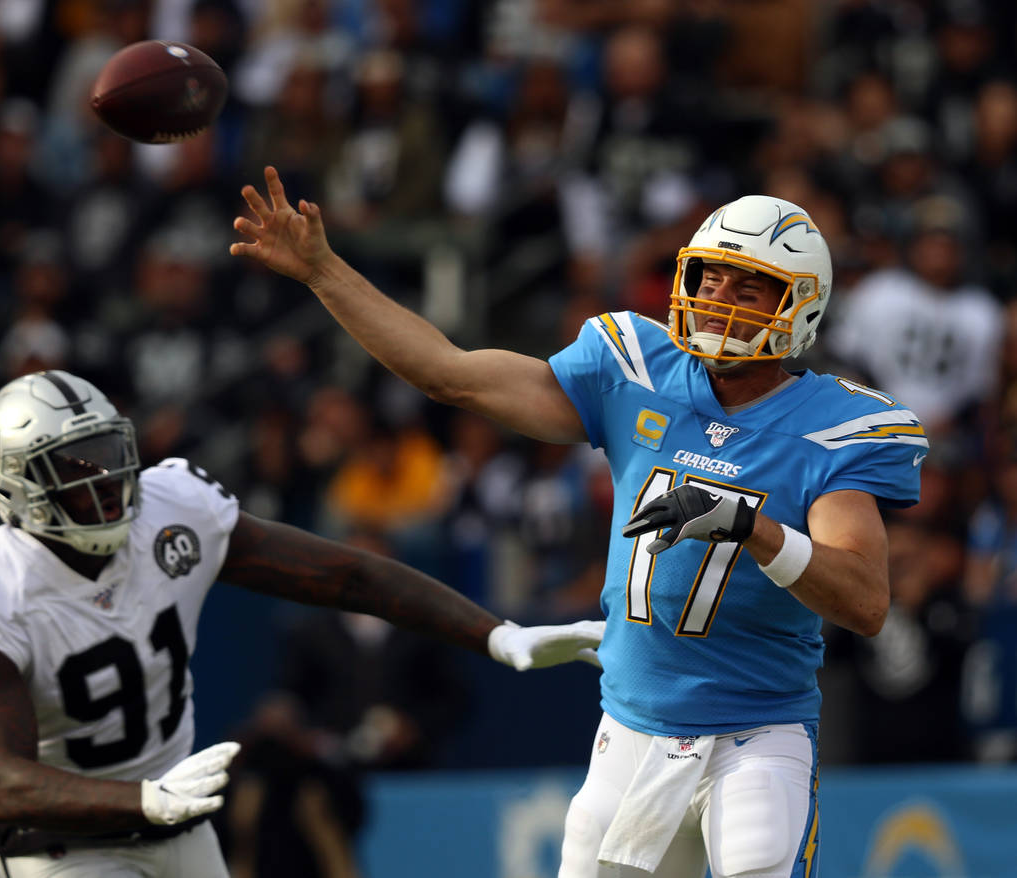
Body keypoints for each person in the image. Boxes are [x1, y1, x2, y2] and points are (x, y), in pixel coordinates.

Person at [230, 167, 928, 878]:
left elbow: (865, 602)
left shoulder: (833, 427)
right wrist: (323, 271)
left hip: (758, 735)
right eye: (711, 281)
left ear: (800, 308)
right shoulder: (633, 365)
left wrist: (750, 527)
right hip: (631, 730)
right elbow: (451, 374)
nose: (719, 303)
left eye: (748, 289)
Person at [0, 369, 605, 878]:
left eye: (106, 455)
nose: (106, 482)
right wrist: (143, 800)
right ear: (19, 487)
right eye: (74, 471)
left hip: (173, 819)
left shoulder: (170, 508)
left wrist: (495, 633)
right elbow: (0, 782)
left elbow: (352, 576)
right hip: (59, 845)